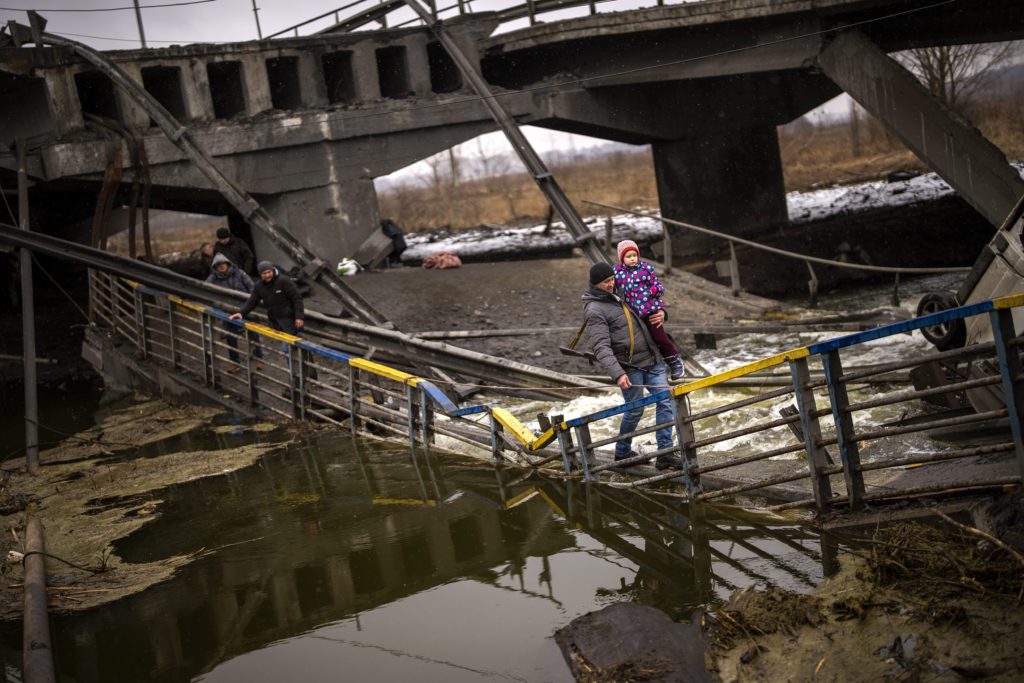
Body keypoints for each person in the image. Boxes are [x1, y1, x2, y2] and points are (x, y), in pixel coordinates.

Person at [582, 262, 681, 470]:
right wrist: (617, 373)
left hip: (652, 360)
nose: (610, 284)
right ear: (595, 284)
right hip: (629, 366)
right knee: (636, 410)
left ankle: (666, 453)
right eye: (605, 282)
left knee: (665, 401)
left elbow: (648, 305)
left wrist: (662, 312)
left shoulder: (624, 292)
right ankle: (622, 452)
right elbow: (601, 347)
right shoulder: (594, 310)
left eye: (611, 280)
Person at [614, 239, 685, 381]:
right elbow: (612, 288)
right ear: (622, 258)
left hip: (649, 309)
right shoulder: (617, 272)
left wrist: (652, 291)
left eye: (635, 255)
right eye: (628, 256)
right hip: (632, 313)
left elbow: (659, 287)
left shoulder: (646, 269)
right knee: (642, 341)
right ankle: (656, 367)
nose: (633, 258)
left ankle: (675, 361)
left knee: (659, 337)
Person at [206, 253, 261, 371]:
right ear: (214, 267)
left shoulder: (240, 273)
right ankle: (234, 362)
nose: (221, 266)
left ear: (227, 263)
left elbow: (252, 288)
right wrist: (219, 307)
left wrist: (250, 304)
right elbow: (206, 292)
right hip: (228, 311)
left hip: (246, 308)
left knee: (254, 334)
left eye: (223, 263)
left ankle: (258, 359)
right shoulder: (212, 279)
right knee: (231, 337)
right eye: (218, 265)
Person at [229, 260, 304, 335]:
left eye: (269, 272)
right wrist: (241, 313)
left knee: (294, 342)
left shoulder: (284, 281)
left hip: (290, 319)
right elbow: (252, 301)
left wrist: (299, 317)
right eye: (264, 273)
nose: (267, 275)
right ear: (260, 274)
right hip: (274, 321)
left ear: (273, 270)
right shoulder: (259, 286)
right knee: (282, 342)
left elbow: (297, 299)